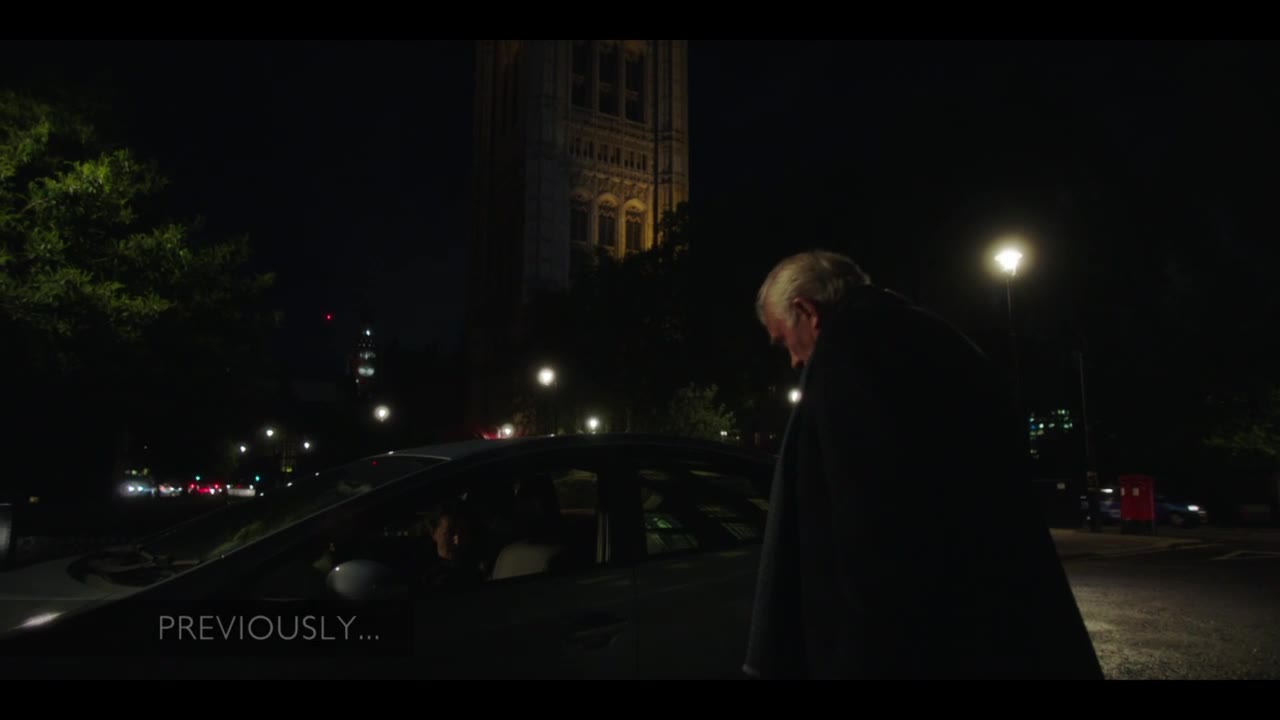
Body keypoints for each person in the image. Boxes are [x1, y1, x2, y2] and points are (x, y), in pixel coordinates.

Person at [743, 250, 1103, 680]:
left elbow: (870, 530)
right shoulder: (937, 336)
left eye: (784, 340)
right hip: (1006, 618)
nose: (793, 360)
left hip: (927, 642)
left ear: (807, 311)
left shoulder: (848, 355)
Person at [423, 505, 487, 589]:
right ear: (433, 533)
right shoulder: (425, 576)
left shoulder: (476, 569)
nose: (458, 541)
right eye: (449, 533)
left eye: (462, 533)